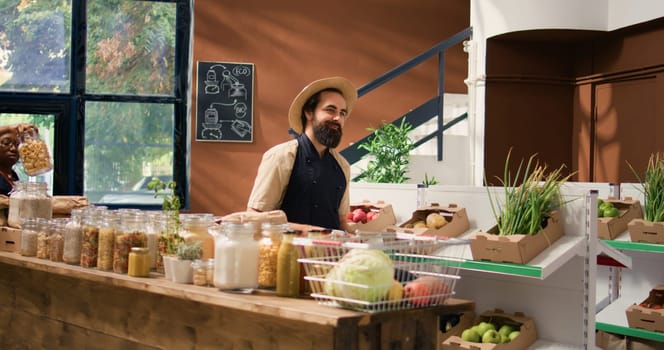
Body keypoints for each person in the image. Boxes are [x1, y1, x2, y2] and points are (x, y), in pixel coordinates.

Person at [247, 77, 358, 232]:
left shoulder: (342, 166)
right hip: (288, 253)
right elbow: (255, 218)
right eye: (330, 110)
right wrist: (313, 231)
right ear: (308, 112)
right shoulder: (281, 157)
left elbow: (341, 222)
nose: (337, 118)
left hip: (331, 255)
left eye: (342, 113)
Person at [0, 123, 38, 196]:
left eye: (17, 145)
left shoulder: (13, 176)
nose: (13, 149)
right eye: (6, 143)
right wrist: (9, 128)